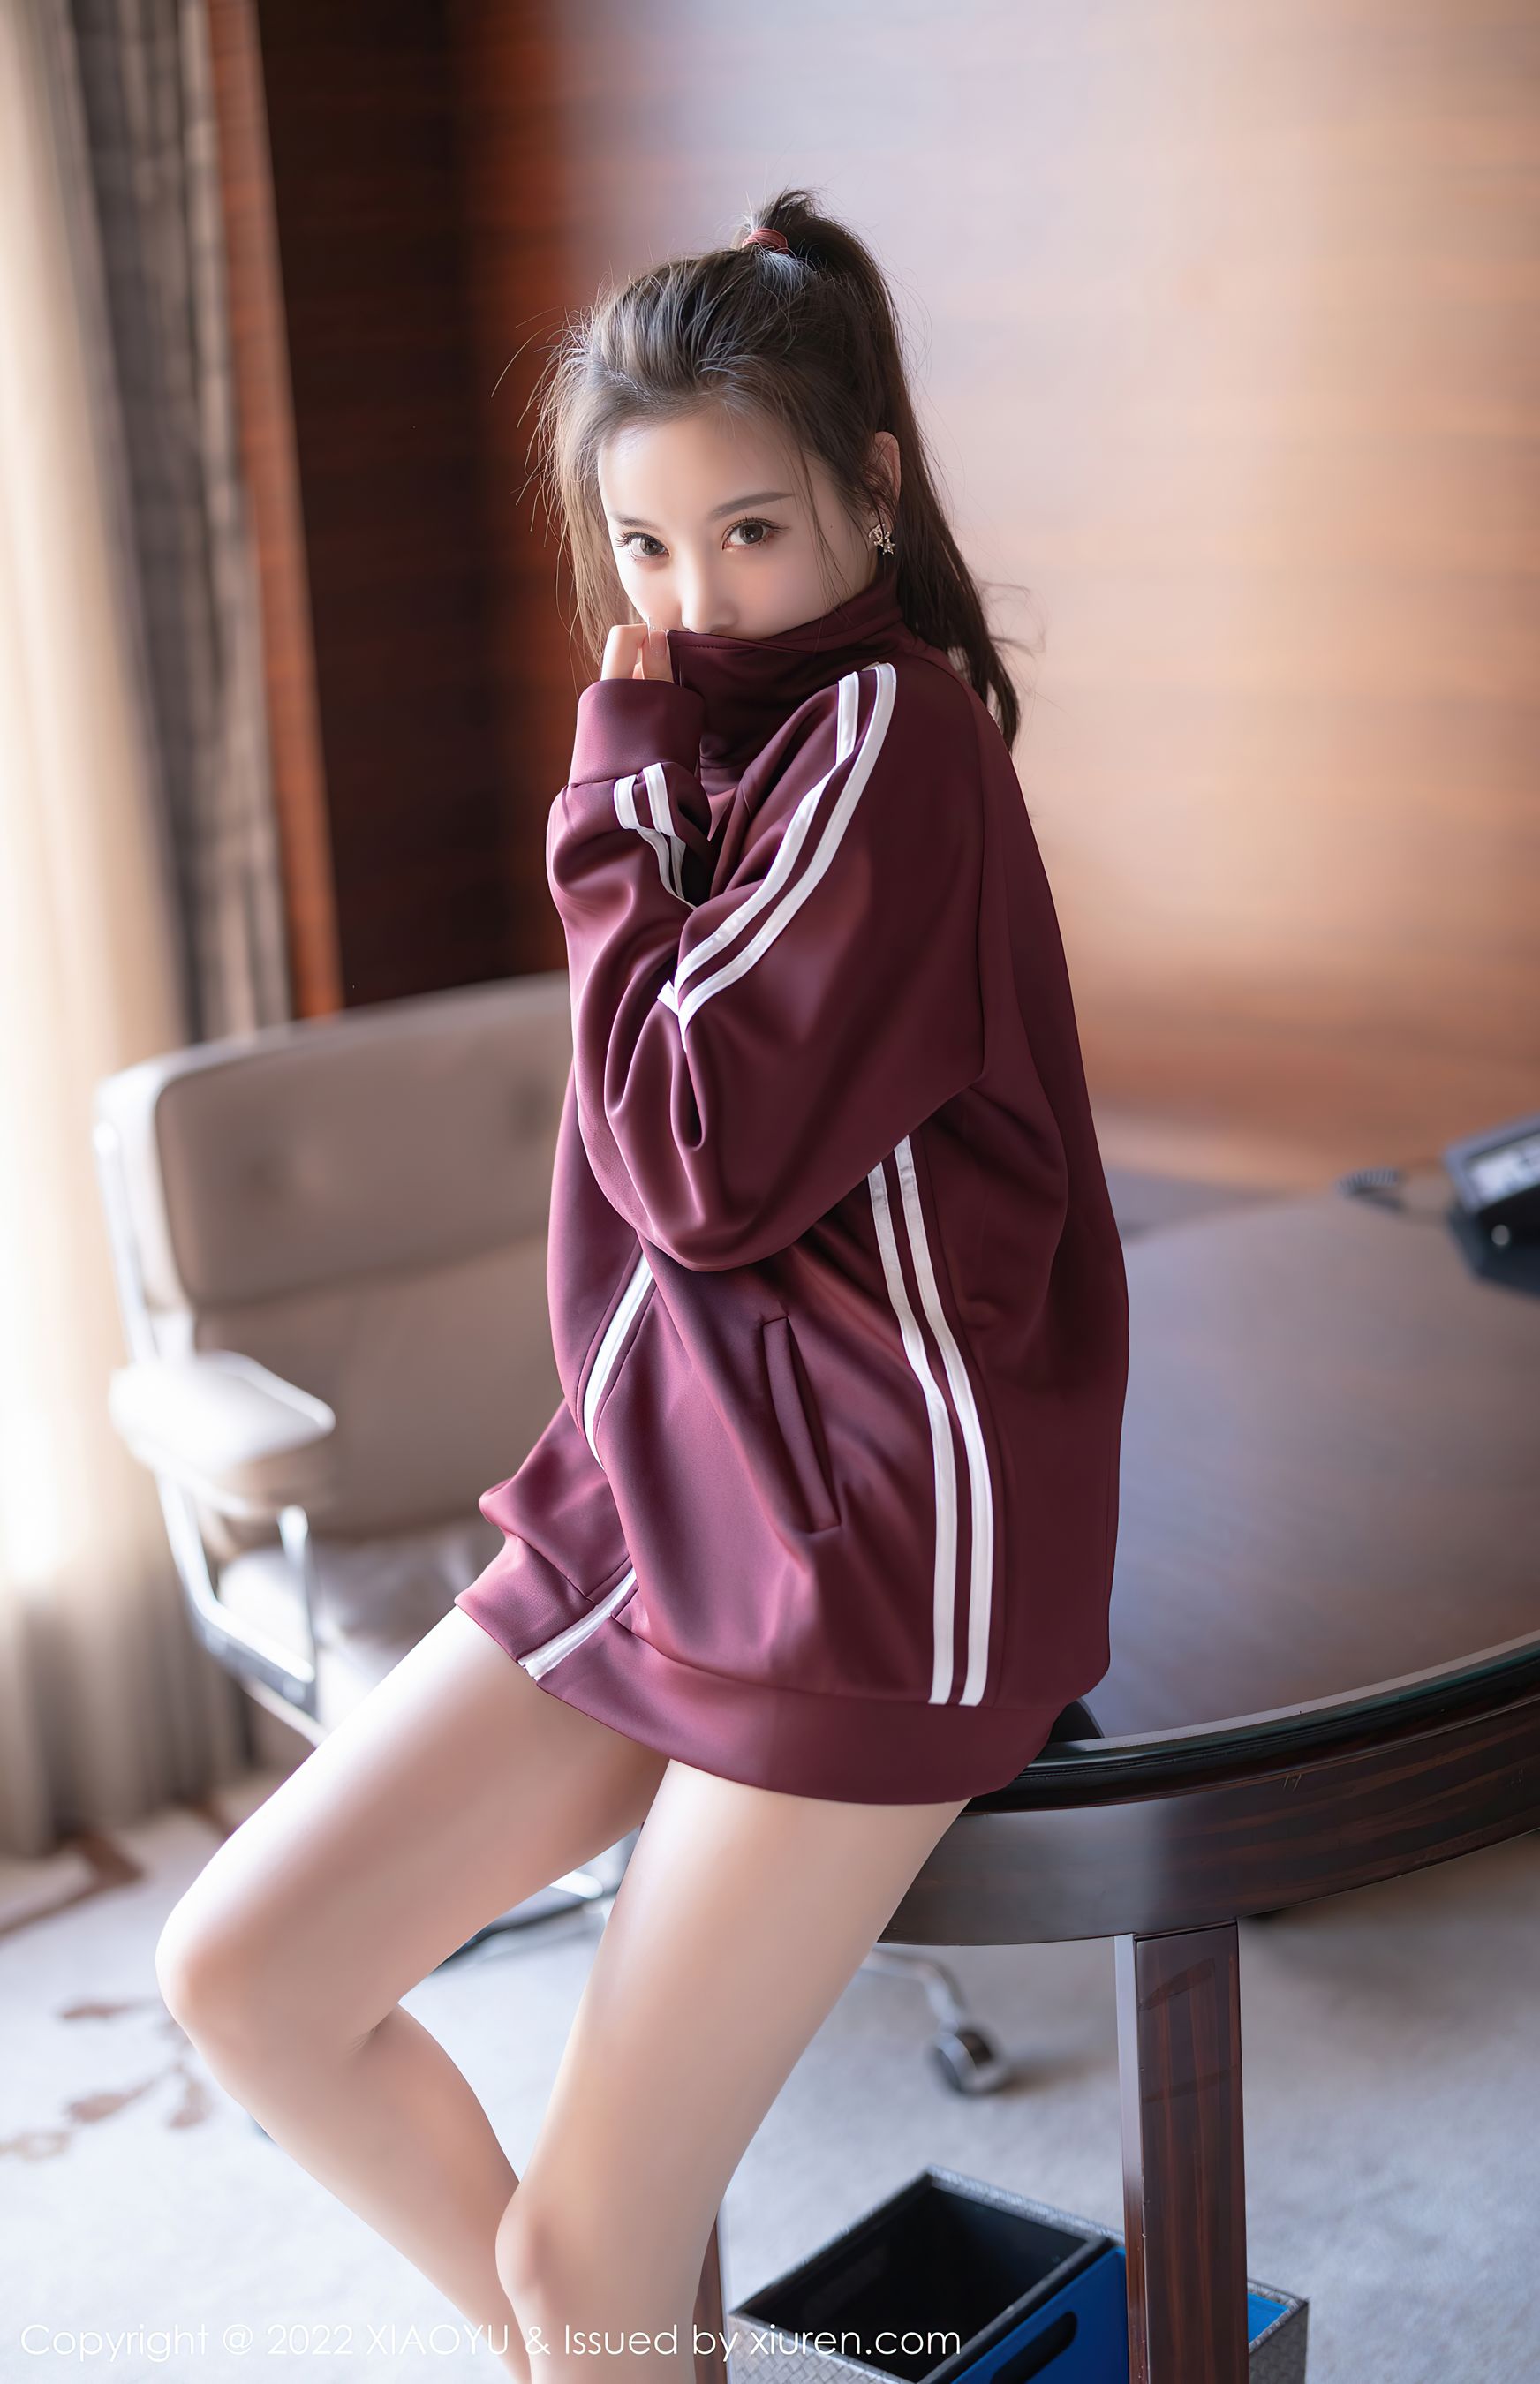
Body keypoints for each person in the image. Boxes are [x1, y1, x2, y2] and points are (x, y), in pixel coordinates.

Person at [154, 188, 1129, 2380]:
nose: (693, 604)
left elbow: (691, 1164)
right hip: (663, 1482)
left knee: (587, 2258)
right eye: (647, 549)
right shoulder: (742, 743)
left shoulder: (881, 743)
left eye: (751, 533)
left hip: (863, 1537)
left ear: (873, 488)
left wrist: (606, 814)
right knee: (250, 1978)